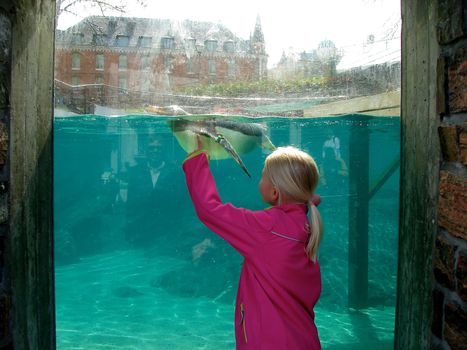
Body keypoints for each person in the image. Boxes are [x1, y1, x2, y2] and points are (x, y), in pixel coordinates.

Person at [183, 140, 323, 349]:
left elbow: (209, 210)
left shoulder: (267, 228)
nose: (260, 181)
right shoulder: (306, 223)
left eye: (263, 176)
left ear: (275, 192)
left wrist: (197, 159)